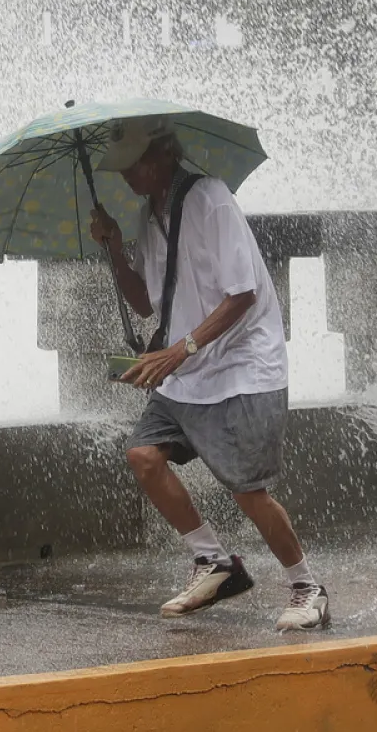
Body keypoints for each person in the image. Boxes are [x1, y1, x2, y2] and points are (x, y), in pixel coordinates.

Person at [88, 121, 330, 632]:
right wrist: (112, 245)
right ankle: (215, 562)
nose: (126, 176)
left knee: (246, 489)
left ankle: (308, 587)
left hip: (243, 367)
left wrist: (182, 348)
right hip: (188, 370)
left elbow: (241, 294)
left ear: (157, 158)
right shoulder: (146, 216)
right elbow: (146, 300)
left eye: (132, 165)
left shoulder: (211, 200)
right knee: (144, 456)